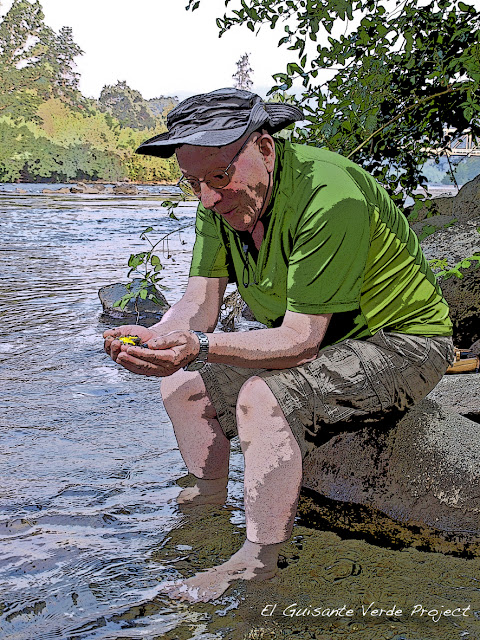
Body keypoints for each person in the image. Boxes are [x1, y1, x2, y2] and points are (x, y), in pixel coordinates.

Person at [103, 87, 454, 603]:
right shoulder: (216, 196)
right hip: (323, 337)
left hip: (403, 342)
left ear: (264, 149)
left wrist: (198, 343)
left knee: (262, 399)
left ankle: (258, 560)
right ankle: (207, 497)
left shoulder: (332, 196)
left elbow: (300, 342)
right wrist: (156, 339)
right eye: (193, 183)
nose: (207, 197)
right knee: (182, 386)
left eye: (220, 177)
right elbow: (198, 304)